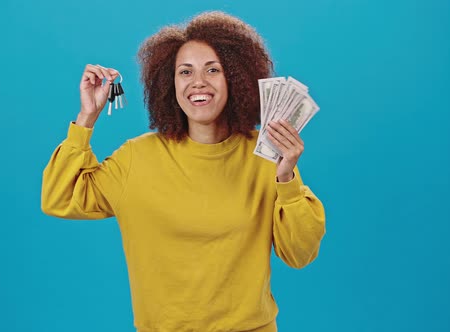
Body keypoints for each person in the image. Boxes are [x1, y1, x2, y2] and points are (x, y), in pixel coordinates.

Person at [41, 11, 325, 332]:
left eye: (213, 70)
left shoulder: (266, 157)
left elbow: (300, 254)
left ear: (235, 77)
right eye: (185, 71)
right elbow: (59, 197)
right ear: (168, 83)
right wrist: (86, 117)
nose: (198, 82)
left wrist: (286, 178)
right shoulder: (138, 157)